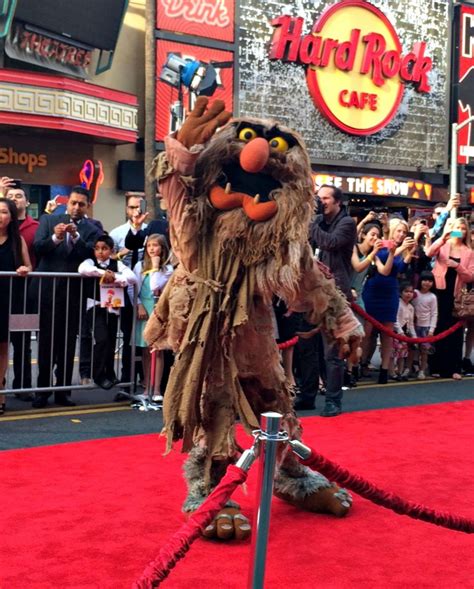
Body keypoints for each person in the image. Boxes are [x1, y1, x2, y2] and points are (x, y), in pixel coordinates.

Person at [32, 186, 100, 408]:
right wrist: (56, 238)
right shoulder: (49, 220)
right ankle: (42, 391)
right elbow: (38, 247)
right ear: (67, 202)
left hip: (74, 294)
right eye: (73, 203)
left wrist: (76, 237)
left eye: (81, 204)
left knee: (68, 342)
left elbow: (92, 253)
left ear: (87, 206)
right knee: (45, 342)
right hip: (48, 291)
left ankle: (63, 391)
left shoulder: (92, 229)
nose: (76, 207)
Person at [309, 184, 357, 417]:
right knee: (307, 348)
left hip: (335, 293)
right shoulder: (320, 223)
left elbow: (330, 243)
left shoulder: (346, 223)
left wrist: (313, 221)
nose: (321, 202)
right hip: (312, 291)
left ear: (338, 202)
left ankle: (333, 400)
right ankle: (308, 395)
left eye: (326, 198)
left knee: (333, 350)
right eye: (319, 199)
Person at [78, 235, 136, 390]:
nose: (100, 252)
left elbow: (131, 277)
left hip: (112, 306)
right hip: (95, 306)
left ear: (112, 250)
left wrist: (115, 276)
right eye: (97, 249)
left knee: (110, 341)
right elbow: (83, 269)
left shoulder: (117, 264)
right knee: (101, 339)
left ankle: (109, 372)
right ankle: (98, 374)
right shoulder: (91, 262)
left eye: (104, 249)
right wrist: (102, 273)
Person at [362, 218, 416, 384]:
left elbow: (399, 270)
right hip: (373, 290)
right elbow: (382, 259)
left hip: (390, 292)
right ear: (392, 230)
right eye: (399, 231)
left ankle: (384, 370)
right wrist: (400, 249)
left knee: (388, 333)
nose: (401, 234)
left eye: (404, 232)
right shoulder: (382, 243)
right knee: (367, 332)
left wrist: (408, 252)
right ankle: (360, 365)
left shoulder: (403, 249)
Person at [109, 194, 148, 399]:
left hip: (148, 291)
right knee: (128, 337)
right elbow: (109, 259)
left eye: (139, 208)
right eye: (132, 208)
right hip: (126, 292)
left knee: (148, 339)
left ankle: (148, 382)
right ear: (126, 209)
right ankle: (127, 382)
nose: (136, 212)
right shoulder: (117, 234)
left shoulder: (149, 231)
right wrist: (121, 253)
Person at [426, 217, 474, 380]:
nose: (460, 230)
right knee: (439, 326)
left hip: (457, 294)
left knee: (455, 331)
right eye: (457, 227)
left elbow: (470, 276)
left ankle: (453, 367)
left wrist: (457, 265)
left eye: (463, 227)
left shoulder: (469, 252)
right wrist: (443, 237)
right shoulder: (443, 245)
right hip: (439, 290)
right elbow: (429, 253)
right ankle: (435, 366)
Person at [4, 182, 39, 398]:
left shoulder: (36, 227)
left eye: (19, 196)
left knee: (22, 342)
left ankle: (22, 386)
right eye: (11, 196)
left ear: (26, 202)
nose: (16, 199)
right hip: (2, 294)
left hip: (24, 294)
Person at [0, 198, 32, 414]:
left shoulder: (16, 240)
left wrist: (23, 269)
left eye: (3, 212)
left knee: (2, 348)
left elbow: (28, 265)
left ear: (11, 216)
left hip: (6, 298)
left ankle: (0, 394)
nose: (0, 216)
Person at [133, 234, 173, 402]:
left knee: (157, 350)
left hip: (158, 310)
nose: (151, 249)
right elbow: (133, 288)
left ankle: (156, 390)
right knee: (145, 350)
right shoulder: (139, 265)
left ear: (162, 248)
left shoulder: (167, 269)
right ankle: (146, 386)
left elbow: (155, 286)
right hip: (144, 309)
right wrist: (139, 304)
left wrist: (156, 266)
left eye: (155, 245)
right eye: (149, 245)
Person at [412, 271, 438, 379]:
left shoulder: (432, 297)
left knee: (424, 351)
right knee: (412, 350)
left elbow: (434, 313)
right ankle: (411, 367)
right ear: (420, 281)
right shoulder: (414, 293)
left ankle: (422, 370)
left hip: (426, 327)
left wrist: (431, 329)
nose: (427, 283)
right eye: (425, 280)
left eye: (430, 281)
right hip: (413, 326)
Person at [390, 282, 416, 380]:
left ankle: (400, 372)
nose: (409, 294)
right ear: (401, 293)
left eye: (411, 292)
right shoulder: (397, 303)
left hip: (405, 334)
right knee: (392, 354)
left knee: (402, 354)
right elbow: (395, 319)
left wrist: (414, 337)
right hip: (395, 332)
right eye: (406, 291)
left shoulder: (411, 307)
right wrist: (400, 331)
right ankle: (392, 372)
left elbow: (411, 324)